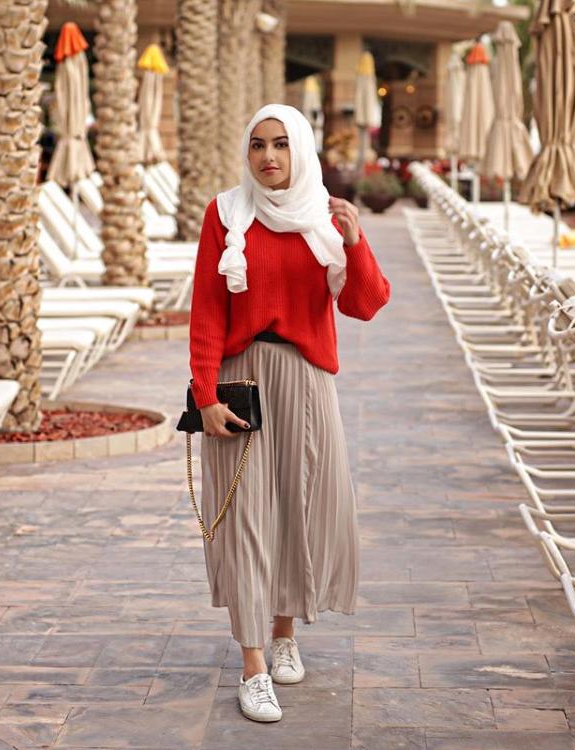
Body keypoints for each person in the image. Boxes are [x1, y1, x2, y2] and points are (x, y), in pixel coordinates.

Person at [188, 103, 390, 723]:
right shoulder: (226, 213)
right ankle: (252, 667)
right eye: (257, 145)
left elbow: (365, 304)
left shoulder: (325, 216)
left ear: (300, 149)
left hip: (306, 383)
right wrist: (205, 395)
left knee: (299, 512)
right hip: (240, 382)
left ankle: (283, 633)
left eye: (280, 144)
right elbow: (207, 308)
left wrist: (354, 243)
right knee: (244, 520)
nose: (268, 156)